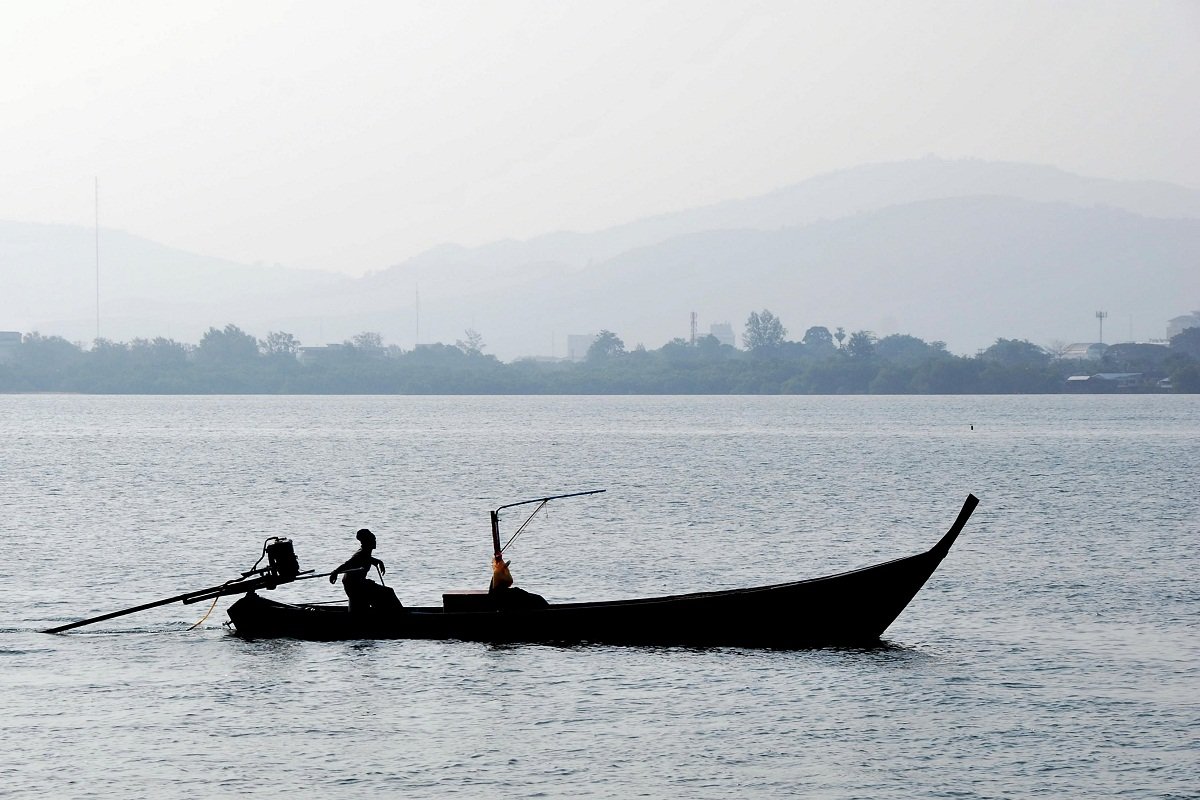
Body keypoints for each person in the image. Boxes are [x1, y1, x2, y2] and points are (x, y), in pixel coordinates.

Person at [329, 528, 402, 615]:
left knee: (384, 593)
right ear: (367, 541)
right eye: (373, 539)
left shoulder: (365, 553)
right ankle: (402, 615)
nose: (375, 541)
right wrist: (335, 572)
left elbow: (366, 559)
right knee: (388, 592)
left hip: (359, 584)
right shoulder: (361, 554)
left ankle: (393, 613)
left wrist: (377, 561)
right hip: (356, 587)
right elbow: (348, 564)